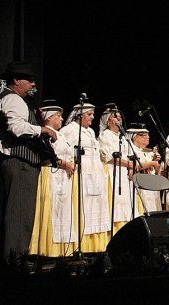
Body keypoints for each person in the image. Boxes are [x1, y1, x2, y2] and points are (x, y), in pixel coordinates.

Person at [0, 62, 57, 266]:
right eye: (28, 80)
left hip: (26, 163)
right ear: (16, 80)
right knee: (18, 214)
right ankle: (13, 260)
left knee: (24, 214)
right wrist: (43, 130)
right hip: (19, 162)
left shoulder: (23, 101)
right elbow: (16, 127)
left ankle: (18, 257)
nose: (32, 83)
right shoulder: (13, 98)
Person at [29, 100, 77, 257]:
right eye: (59, 116)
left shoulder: (61, 134)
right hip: (51, 175)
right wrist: (65, 164)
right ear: (48, 117)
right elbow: (46, 157)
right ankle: (47, 250)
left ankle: (63, 251)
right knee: (52, 211)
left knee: (64, 213)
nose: (62, 119)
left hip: (64, 177)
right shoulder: (45, 134)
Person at [61, 102, 111, 253]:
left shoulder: (89, 131)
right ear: (79, 115)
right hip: (82, 172)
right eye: (89, 114)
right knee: (83, 208)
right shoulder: (69, 130)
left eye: (93, 114)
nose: (92, 117)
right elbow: (63, 149)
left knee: (96, 209)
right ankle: (82, 246)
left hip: (95, 173)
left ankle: (97, 247)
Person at [97, 103, 138, 232]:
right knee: (116, 204)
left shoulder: (124, 137)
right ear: (108, 121)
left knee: (128, 205)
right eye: (115, 117)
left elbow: (131, 155)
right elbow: (108, 157)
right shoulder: (105, 135)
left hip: (126, 175)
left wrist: (131, 168)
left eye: (119, 116)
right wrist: (128, 164)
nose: (119, 119)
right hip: (112, 172)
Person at [128, 123, 162, 213]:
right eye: (143, 135)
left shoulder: (150, 152)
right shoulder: (132, 150)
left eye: (148, 135)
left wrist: (155, 162)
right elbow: (136, 166)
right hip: (140, 185)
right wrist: (152, 162)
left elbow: (157, 171)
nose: (147, 137)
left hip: (152, 185)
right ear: (134, 137)